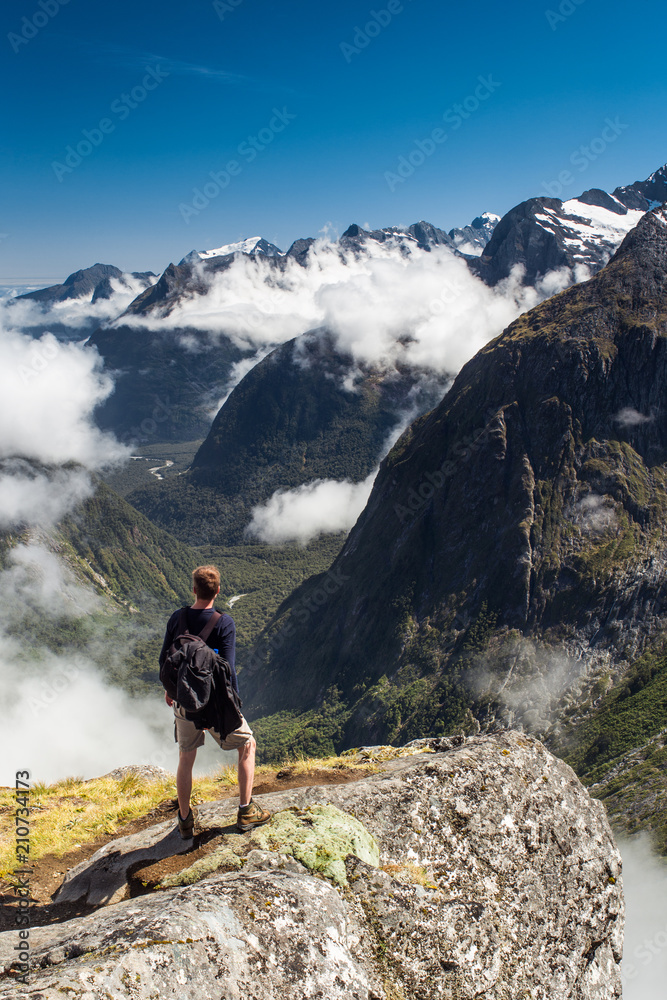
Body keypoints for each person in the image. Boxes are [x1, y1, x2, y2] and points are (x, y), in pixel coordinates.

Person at [159, 564, 271, 838]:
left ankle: (185, 820)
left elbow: (164, 660)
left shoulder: (177, 618)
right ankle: (246, 811)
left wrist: (171, 691)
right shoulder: (224, 623)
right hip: (216, 703)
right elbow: (229, 669)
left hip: (185, 700)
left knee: (186, 757)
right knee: (247, 743)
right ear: (218, 591)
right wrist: (231, 704)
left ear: (194, 589)